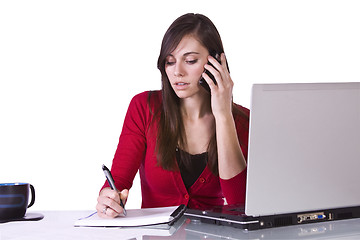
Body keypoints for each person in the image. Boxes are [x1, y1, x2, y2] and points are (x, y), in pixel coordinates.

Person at [96, 13, 249, 218]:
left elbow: (239, 203)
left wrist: (223, 116)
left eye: (190, 60)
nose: (177, 71)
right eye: (169, 61)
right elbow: (118, 181)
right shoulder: (144, 108)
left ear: (217, 62)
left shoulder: (243, 121)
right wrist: (109, 198)